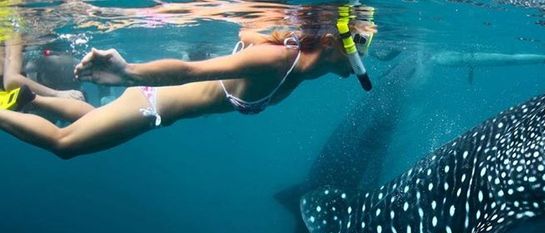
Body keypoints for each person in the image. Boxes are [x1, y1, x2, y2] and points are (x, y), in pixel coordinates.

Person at [0, 5, 376, 159]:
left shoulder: (295, 61)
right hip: (151, 104)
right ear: (332, 40)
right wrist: (128, 71)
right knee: (64, 144)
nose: (365, 52)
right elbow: (191, 72)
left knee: (86, 117)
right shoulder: (277, 61)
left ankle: (29, 101)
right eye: (361, 42)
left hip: (155, 106)